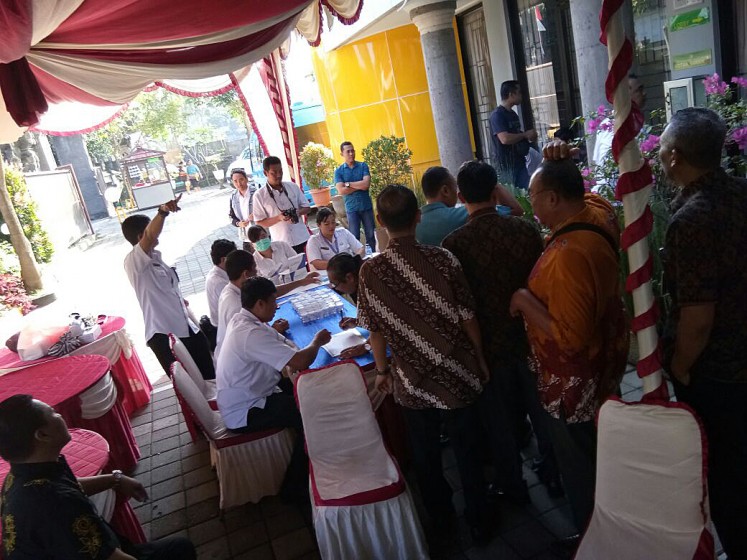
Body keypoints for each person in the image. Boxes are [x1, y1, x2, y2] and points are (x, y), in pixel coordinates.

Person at [356, 184, 493, 544]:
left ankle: (442, 522)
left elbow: (375, 334)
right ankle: (480, 520)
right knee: (467, 449)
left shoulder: (370, 273)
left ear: (381, 221)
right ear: (418, 217)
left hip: (411, 381)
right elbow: (468, 317)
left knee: (427, 456)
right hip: (457, 374)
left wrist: (382, 371)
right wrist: (479, 358)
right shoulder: (444, 259)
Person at [509, 150, 628, 546]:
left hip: (573, 384)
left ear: (554, 199)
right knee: (599, 451)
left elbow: (572, 339)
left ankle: (593, 539)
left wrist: (525, 300)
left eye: (535, 196)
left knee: (579, 463)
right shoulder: (599, 213)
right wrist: (558, 158)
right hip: (606, 360)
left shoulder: (568, 256)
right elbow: (588, 194)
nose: (531, 204)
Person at [658, 107, 747, 559]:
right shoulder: (741, 193)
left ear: (675, 158)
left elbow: (698, 317)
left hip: (719, 371)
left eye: (662, 149)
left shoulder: (691, 220)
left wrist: (679, 365)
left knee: (727, 478)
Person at [443, 161, 548, 502]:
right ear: (495, 192)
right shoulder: (526, 231)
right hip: (533, 338)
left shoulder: (454, 245)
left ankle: (514, 487)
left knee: (499, 424)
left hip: (489, 348)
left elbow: (460, 307)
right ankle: (555, 473)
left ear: (460, 197)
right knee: (543, 413)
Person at [0, 394, 196, 559]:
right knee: (180, 549)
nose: (59, 415)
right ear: (42, 435)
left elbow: (69, 486)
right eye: (53, 413)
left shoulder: (20, 477)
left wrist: (115, 479)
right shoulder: (56, 503)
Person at [216, 277, 331, 501]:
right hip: (246, 410)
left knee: (305, 392)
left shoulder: (244, 319)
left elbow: (280, 342)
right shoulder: (250, 333)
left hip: (252, 393)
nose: (277, 306)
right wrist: (316, 341)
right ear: (259, 304)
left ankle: (313, 459)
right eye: (273, 301)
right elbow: (299, 362)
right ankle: (295, 486)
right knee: (310, 412)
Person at [121, 197, 215, 379]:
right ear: (141, 236)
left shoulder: (155, 257)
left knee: (210, 376)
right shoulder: (134, 262)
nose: (158, 234)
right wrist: (163, 211)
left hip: (185, 328)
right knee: (193, 389)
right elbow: (149, 236)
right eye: (151, 231)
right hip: (164, 336)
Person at [215, 249, 316, 357]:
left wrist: (301, 282)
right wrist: (273, 330)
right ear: (246, 274)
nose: (257, 272)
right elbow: (251, 339)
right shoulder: (235, 305)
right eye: (255, 268)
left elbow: (270, 291)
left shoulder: (234, 288)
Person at [252, 156, 310, 254]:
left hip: (302, 237)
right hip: (282, 243)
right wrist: (279, 218)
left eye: (280, 171)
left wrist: (297, 212)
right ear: (265, 173)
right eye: (273, 172)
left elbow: (307, 208)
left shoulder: (292, 186)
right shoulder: (259, 195)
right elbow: (259, 222)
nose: (278, 175)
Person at [489, 80, 538, 190]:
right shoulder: (497, 115)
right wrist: (525, 135)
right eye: (519, 92)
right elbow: (505, 139)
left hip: (519, 161)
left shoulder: (513, 114)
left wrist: (528, 137)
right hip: (505, 165)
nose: (521, 95)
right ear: (511, 94)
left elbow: (516, 135)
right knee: (511, 197)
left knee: (527, 192)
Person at [592, 75, 647, 166]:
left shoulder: (635, 120)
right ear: (626, 95)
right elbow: (604, 162)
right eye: (639, 90)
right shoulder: (612, 124)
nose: (644, 93)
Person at [334, 141, 376, 253]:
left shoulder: (363, 166)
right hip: (352, 209)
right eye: (348, 151)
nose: (351, 153)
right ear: (342, 154)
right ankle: (357, 262)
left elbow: (366, 184)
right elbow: (341, 190)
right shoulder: (339, 171)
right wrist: (359, 185)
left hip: (366, 206)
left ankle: (374, 257)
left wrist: (348, 184)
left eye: (352, 151)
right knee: (354, 238)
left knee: (371, 235)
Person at [204, 239, 237, 349]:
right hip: (225, 331)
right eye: (234, 256)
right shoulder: (219, 282)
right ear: (224, 259)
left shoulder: (220, 273)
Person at [228, 169, 256, 251]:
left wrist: (257, 214)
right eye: (235, 181)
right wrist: (238, 223)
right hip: (245, 237)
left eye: (241, 179)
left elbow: (267, 210)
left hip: (260, 235)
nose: (239, 183)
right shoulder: (233, 196)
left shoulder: (256, 193)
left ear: (246, 179)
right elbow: (231, 216)